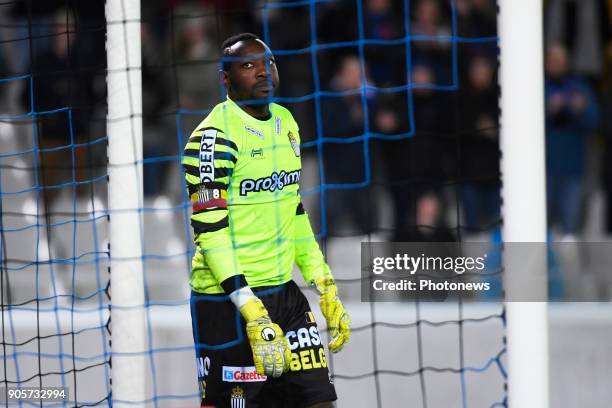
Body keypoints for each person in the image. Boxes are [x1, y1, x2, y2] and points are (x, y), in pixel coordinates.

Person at [182, 33, 350, 408]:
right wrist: (251, 309)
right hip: (226, 304)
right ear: (226, 80)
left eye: (267, 63)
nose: (262, 73)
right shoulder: (212, 140)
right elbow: (210, 235)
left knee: (319, 402)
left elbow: (293, 209)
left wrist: (323, 283)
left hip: (284, 297)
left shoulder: (287, 123)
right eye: (248, 66)